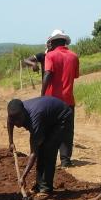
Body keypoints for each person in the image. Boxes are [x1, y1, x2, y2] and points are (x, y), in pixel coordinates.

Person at [5, 96, 73, 200]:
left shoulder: (34, 118)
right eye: (14, 119)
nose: (17, 123)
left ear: (24, 113)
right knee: (41, 148)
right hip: (48, 118)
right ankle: (39, 185)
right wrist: (11, 142)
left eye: (18, 119)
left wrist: (23, 176)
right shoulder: (13, 115)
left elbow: (33, 154)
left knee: (48, 150)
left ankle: (45, 189)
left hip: (62, 118)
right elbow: (10, 122)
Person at [41, 29, 80, 166]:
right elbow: (75, 75)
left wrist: (42, 94)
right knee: (67, 131)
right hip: (68, 100)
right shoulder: (74, 56)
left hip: (51, 100)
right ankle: (65, 160)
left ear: (54, 41)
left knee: (51, 129)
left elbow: (47, 74)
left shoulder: (50, 56)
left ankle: (49, 159)